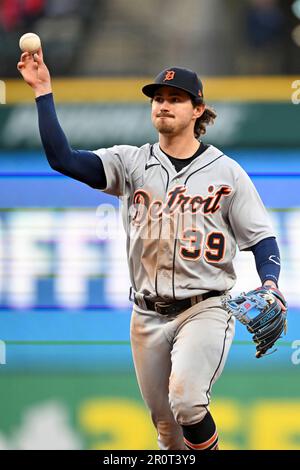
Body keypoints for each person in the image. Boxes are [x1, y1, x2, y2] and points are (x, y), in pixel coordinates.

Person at [17, 49, 286, 451]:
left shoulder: (226, 171)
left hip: (205, 306)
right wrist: (43, 91)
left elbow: (262, 238)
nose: (163, 105)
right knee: (167, 430)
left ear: (198, 110)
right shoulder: (131, 162)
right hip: (145, 314)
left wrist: (271, 283)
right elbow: (63, 159)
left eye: (175, 98)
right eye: (158, 98)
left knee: (188, 401)